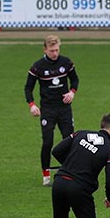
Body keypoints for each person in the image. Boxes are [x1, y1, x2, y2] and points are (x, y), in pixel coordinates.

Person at [24, 35, 79, 186]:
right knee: (47, 142)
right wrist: (32, 105)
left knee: (69, 140)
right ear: (45, 49)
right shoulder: (37, 67)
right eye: (52, 51)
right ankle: (46, 175)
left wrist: (72, 92)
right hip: (47, 110)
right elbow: (28, 88)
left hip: (64, 109)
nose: (55, 53)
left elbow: (75, 79)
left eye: (57, 50)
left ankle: (69, 171)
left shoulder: (66, 63)